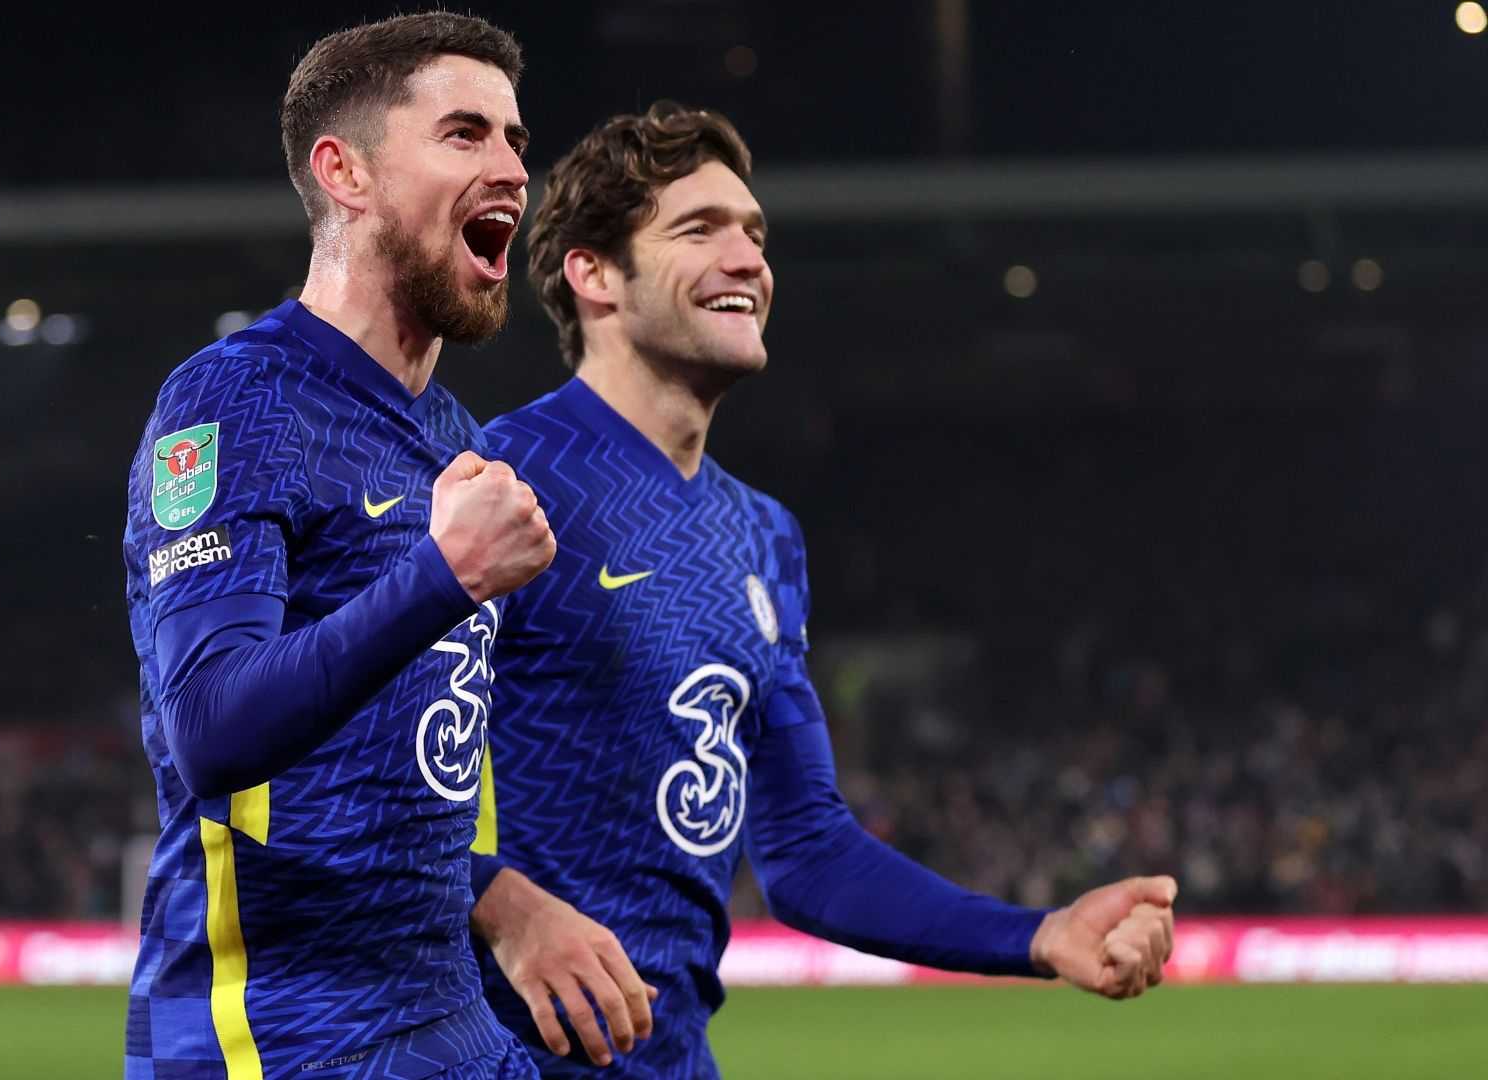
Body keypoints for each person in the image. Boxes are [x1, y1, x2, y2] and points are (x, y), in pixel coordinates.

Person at [470, 101, 1178, 1077]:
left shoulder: (763, 536)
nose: (747, 259)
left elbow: (807, 851)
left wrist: (1038, 934)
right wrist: (500, 903)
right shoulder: (498, 479)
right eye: (700, 230)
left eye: (755, 235)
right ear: (594, 274)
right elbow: (325, 774)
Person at [120, 14, 551, 1079]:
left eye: (515, 139)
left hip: (450, 1023)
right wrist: (441, 577)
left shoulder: (454, 438)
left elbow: (422, 764)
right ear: (344, 173)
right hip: (285, 1039)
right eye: (464, 133)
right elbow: (210, 729)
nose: (511, 168)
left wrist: (510, 901)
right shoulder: (236, 399)